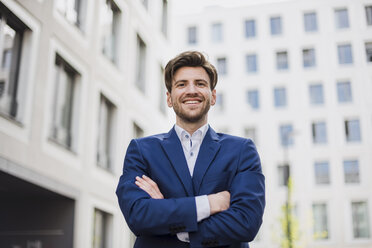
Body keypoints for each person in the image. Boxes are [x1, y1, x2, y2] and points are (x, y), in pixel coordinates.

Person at [116, 51, 265, 248]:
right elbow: (138, 215)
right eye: (182, 84)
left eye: (200, 84)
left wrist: (169, 216)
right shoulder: (142, 151)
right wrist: (210, 204)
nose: (192, 90)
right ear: (169, 98)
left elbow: (247, 222)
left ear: (213, 97)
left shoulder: (242, 150)